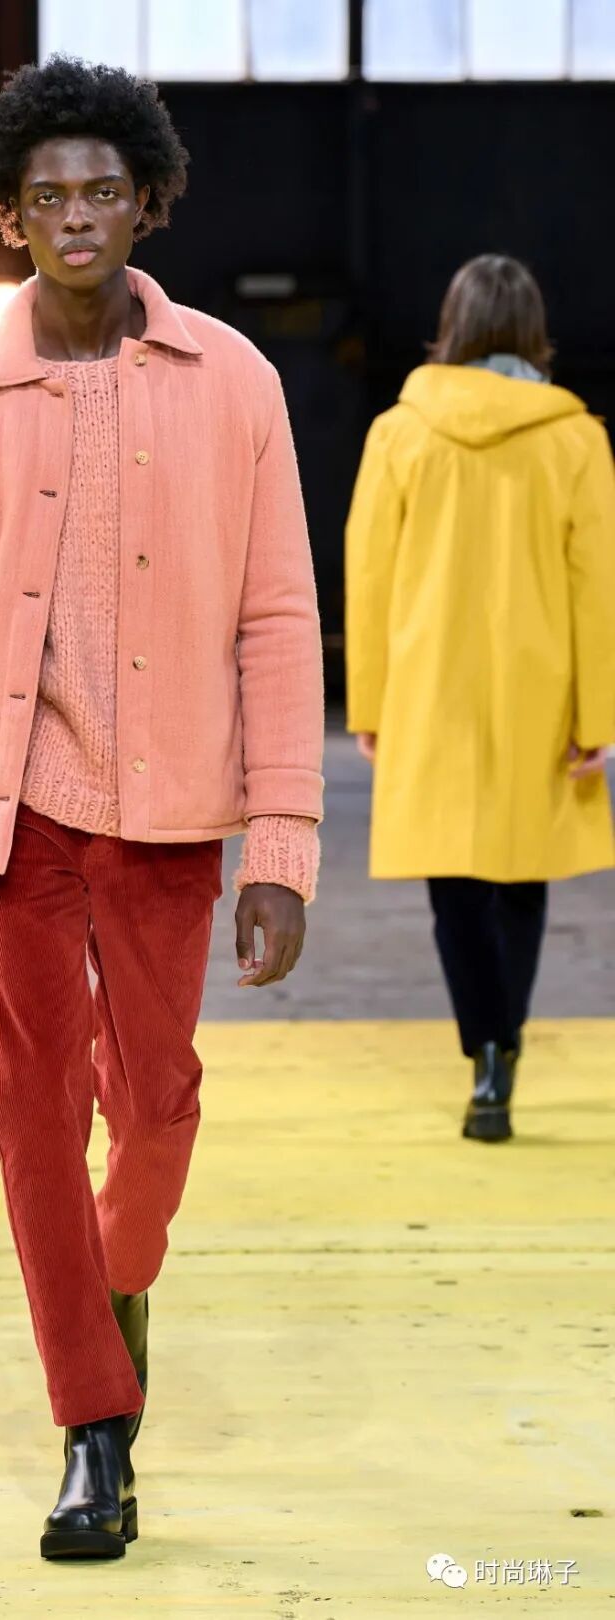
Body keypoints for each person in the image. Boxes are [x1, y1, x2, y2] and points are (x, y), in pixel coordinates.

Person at [0, 56, 324, 1560]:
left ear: (147, 201)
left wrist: (284, 844)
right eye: (47, 193)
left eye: (103, 189)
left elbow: (279, 622)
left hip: (177, 815)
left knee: (161, 1101)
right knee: (35, 1105)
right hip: (15, 821)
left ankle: (113, 1291)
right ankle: (92, 1431)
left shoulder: (236, 383)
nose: (76, 214)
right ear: (8, 213)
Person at [345, 253, 615, 1143]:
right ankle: (508, 1048)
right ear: (534, 330)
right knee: (521, 877)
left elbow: (370, 575)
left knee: (453, 881)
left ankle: (484, 1049)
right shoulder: (576, 437)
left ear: (451, 326)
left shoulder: (400, 433)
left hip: (430, 685)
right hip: (541, 684)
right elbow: (597, 584)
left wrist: (370, 702)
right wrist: (598, 714)